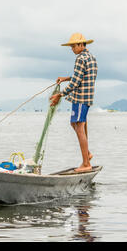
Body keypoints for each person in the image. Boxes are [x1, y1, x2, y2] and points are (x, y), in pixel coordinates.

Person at [50, 33, 98, 173]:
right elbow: (81, 75)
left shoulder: (80, 58)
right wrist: (66, 78)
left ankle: (86, 163)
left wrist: (60, 94)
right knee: (76, 124)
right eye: (71, 46)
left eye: (73, 46)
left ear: (81, 45)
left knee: (79, 126)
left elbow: (76, 82)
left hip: (80, 98)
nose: (72, 49)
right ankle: (87, 154)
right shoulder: (91, 57)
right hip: (87, 98)